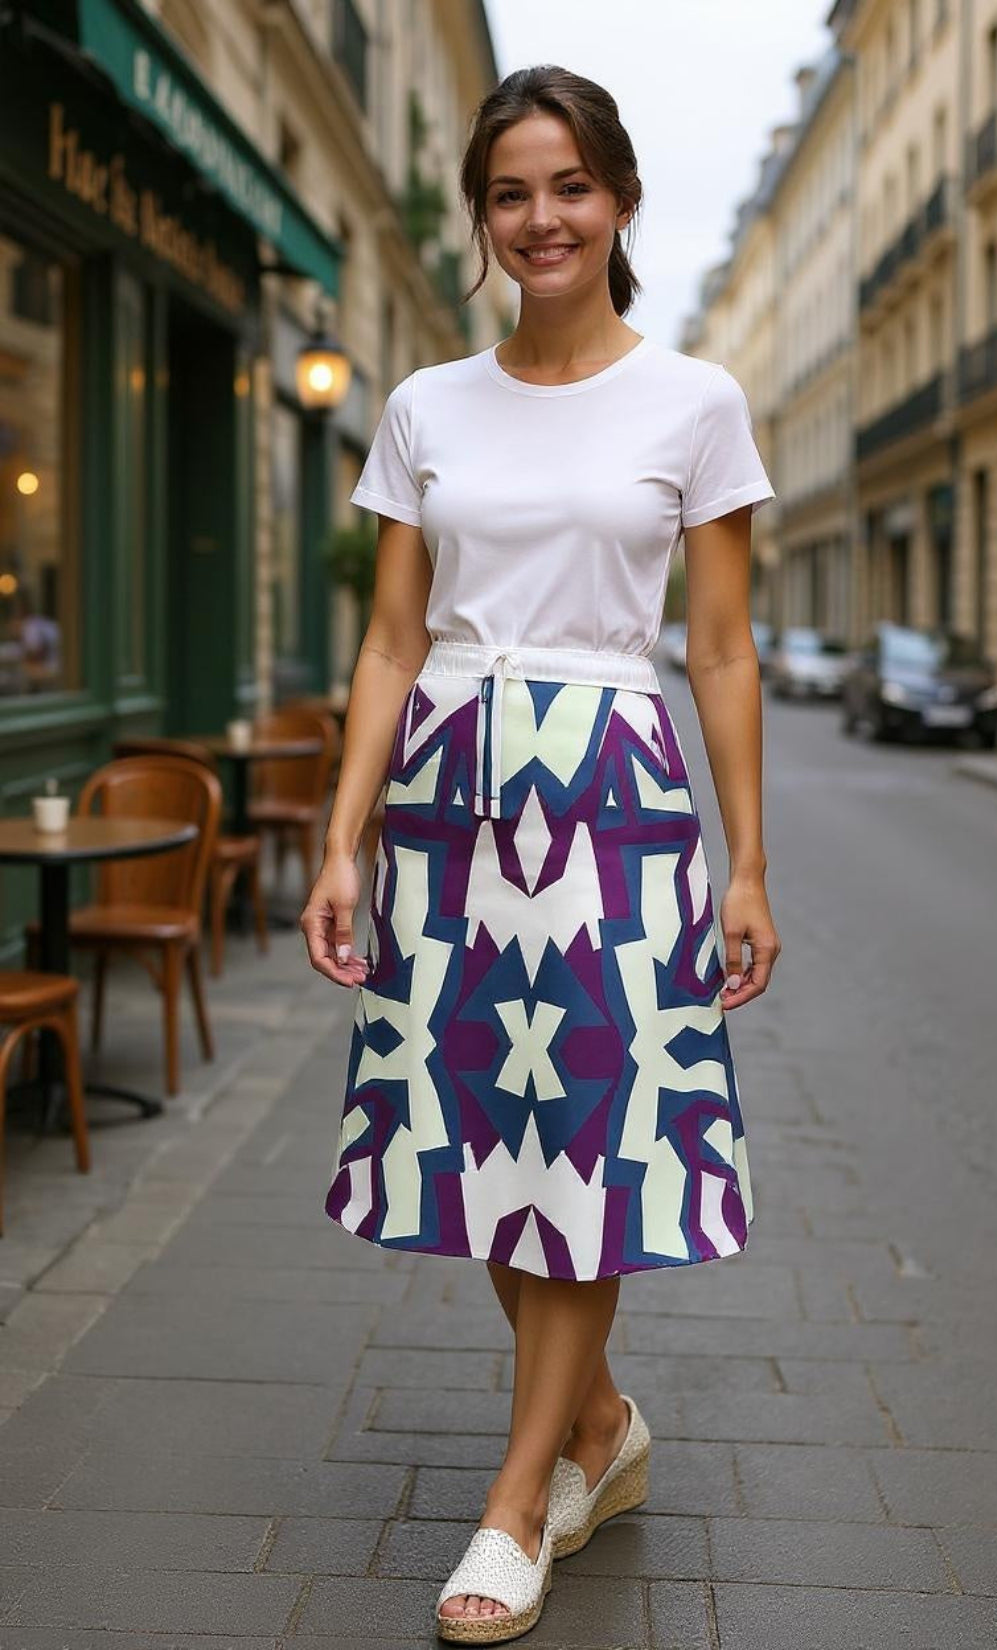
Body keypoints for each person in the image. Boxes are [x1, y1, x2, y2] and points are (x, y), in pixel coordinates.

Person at [300, 64, 781, 1645]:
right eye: (511, 192)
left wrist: (749, 864)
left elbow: (718, 651)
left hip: (613, 795)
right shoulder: (428, 402)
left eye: (569, 186)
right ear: (484, 217)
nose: (541, 218)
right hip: (450, 785)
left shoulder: (695, 401)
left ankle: (517, 1502)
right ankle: (597, 1425)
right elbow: (387, 637)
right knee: (471, 1136)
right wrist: (342, 831)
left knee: (581, 1141)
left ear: (620, 200)